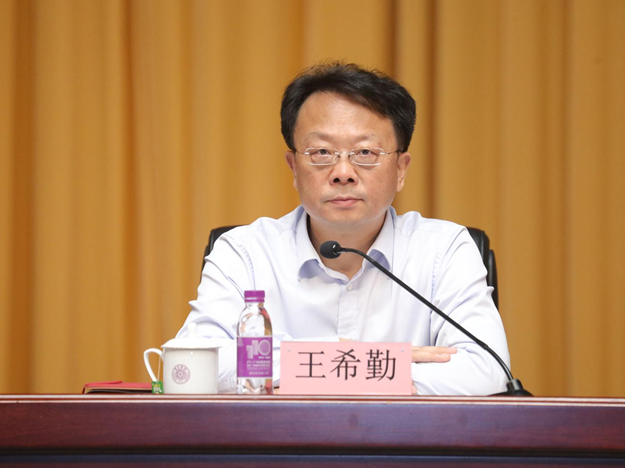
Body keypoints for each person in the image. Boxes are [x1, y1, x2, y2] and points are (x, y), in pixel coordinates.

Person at [177, 62, 510, 395]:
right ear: (293, 167)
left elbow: (486, 368)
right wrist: (365, 362)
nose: (343, 173)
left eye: (365, 152)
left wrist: (304, 374)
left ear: (400, 169)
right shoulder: (245, 252)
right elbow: (197, 362)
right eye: (322, 152)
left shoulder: (444, 250)